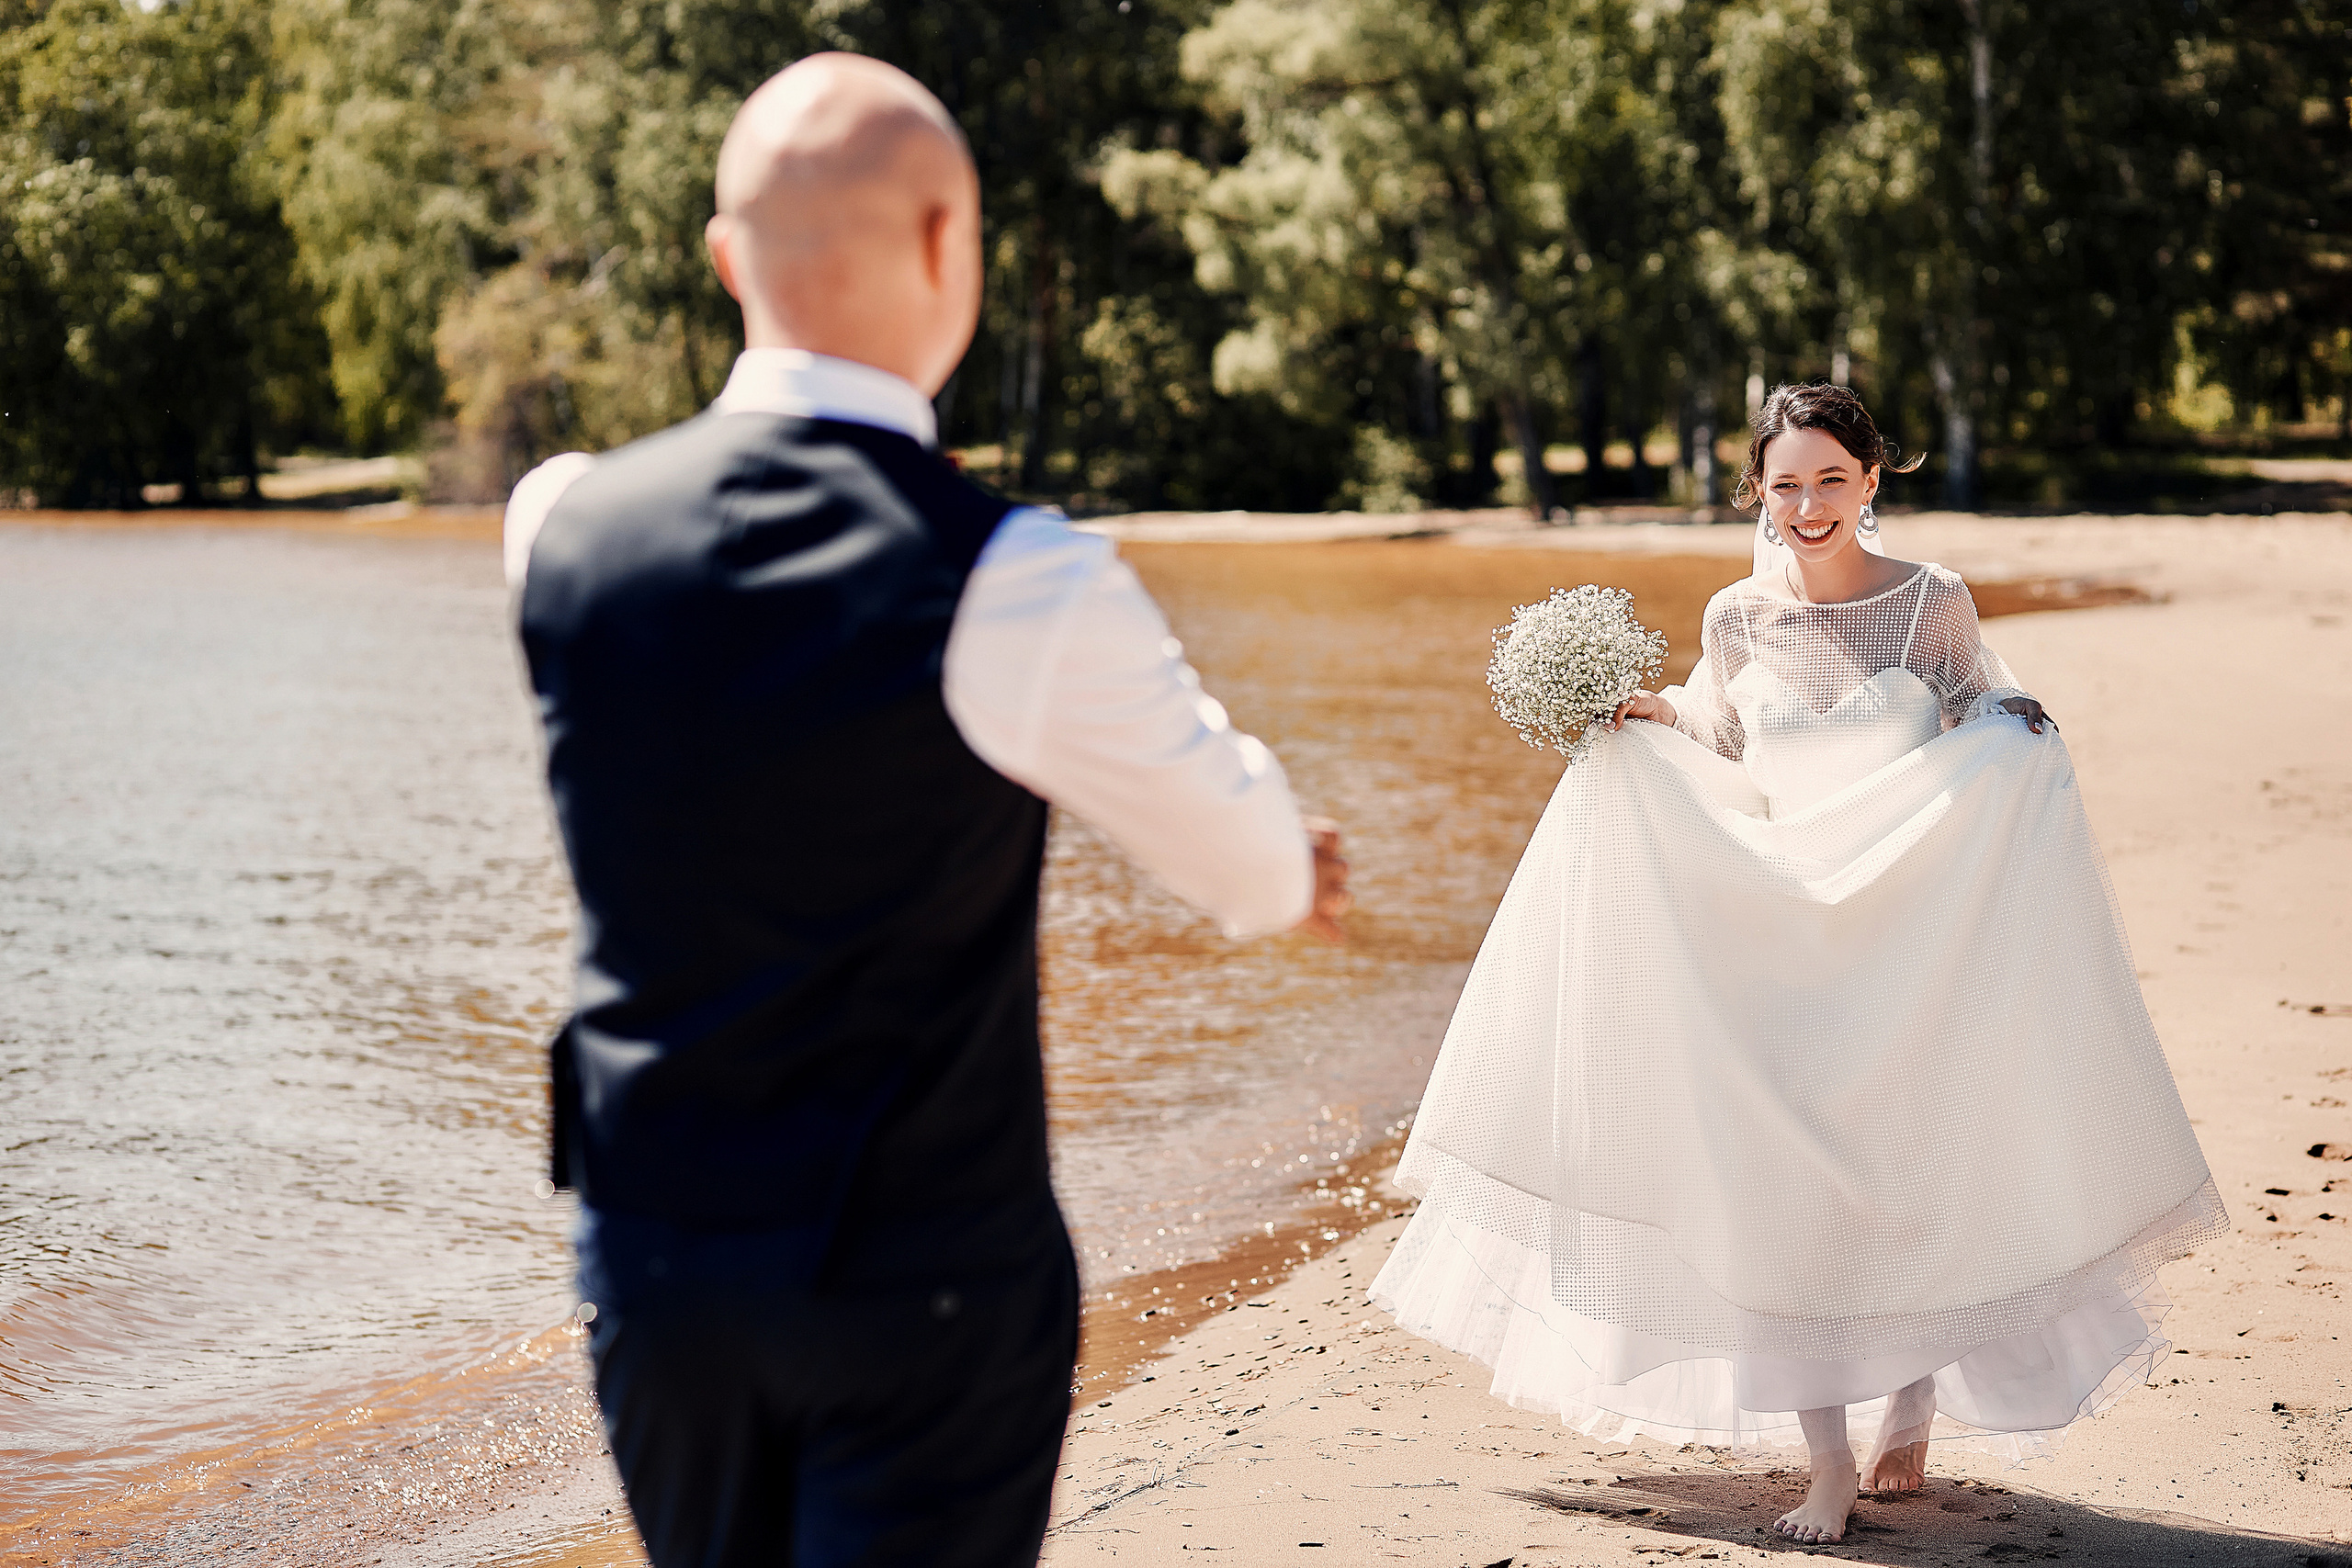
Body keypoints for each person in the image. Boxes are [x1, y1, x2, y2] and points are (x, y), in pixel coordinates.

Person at [503, 53, 1351, 1568]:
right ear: (953, 244)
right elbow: (1252, 875)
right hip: (920, 1282)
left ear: (720, 261)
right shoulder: (1018, 576)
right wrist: (1297, 863)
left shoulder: (557, 523)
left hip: (655, 1266)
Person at [1370, 382, 2224, 1545]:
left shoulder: (1931, 607)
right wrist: (1644, 717)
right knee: (1787, 1194)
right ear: (1757, 494)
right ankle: (1825, 1462)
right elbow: (1725, 736)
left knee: (1907, 1171)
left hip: (1908, 942)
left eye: (1831, 479)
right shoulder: (1735, 614)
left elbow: (1983, 705)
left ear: (1871, 480)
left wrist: (2018, 720)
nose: (1809, 503)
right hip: (1776, 935)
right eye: (1786, 484)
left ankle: (1910, 1404)